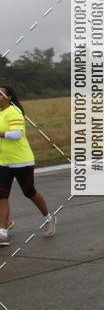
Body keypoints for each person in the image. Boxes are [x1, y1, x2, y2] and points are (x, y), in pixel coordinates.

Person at [0, 86, 56, 245]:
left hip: (21, 160)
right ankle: (3, 232)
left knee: (29, 192)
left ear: (9, 97)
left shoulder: (14, 112)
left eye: (0, 94)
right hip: (3, 161)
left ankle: (49, 218)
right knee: (1, 195)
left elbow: (17, 134)